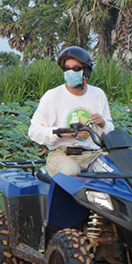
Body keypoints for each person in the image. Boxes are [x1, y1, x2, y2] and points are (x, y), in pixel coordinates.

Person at [28, 46, 114, 176]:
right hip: (61, 154)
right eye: (67, 68)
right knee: (71, 171)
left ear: (86, 71)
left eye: (76, 68)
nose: (71, 72)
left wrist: (103, 124)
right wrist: (60, 133)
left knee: (116, 169)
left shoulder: (98, 94)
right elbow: (34, 132)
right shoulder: (53, 96)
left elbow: (110, 133)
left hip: (93, 154)